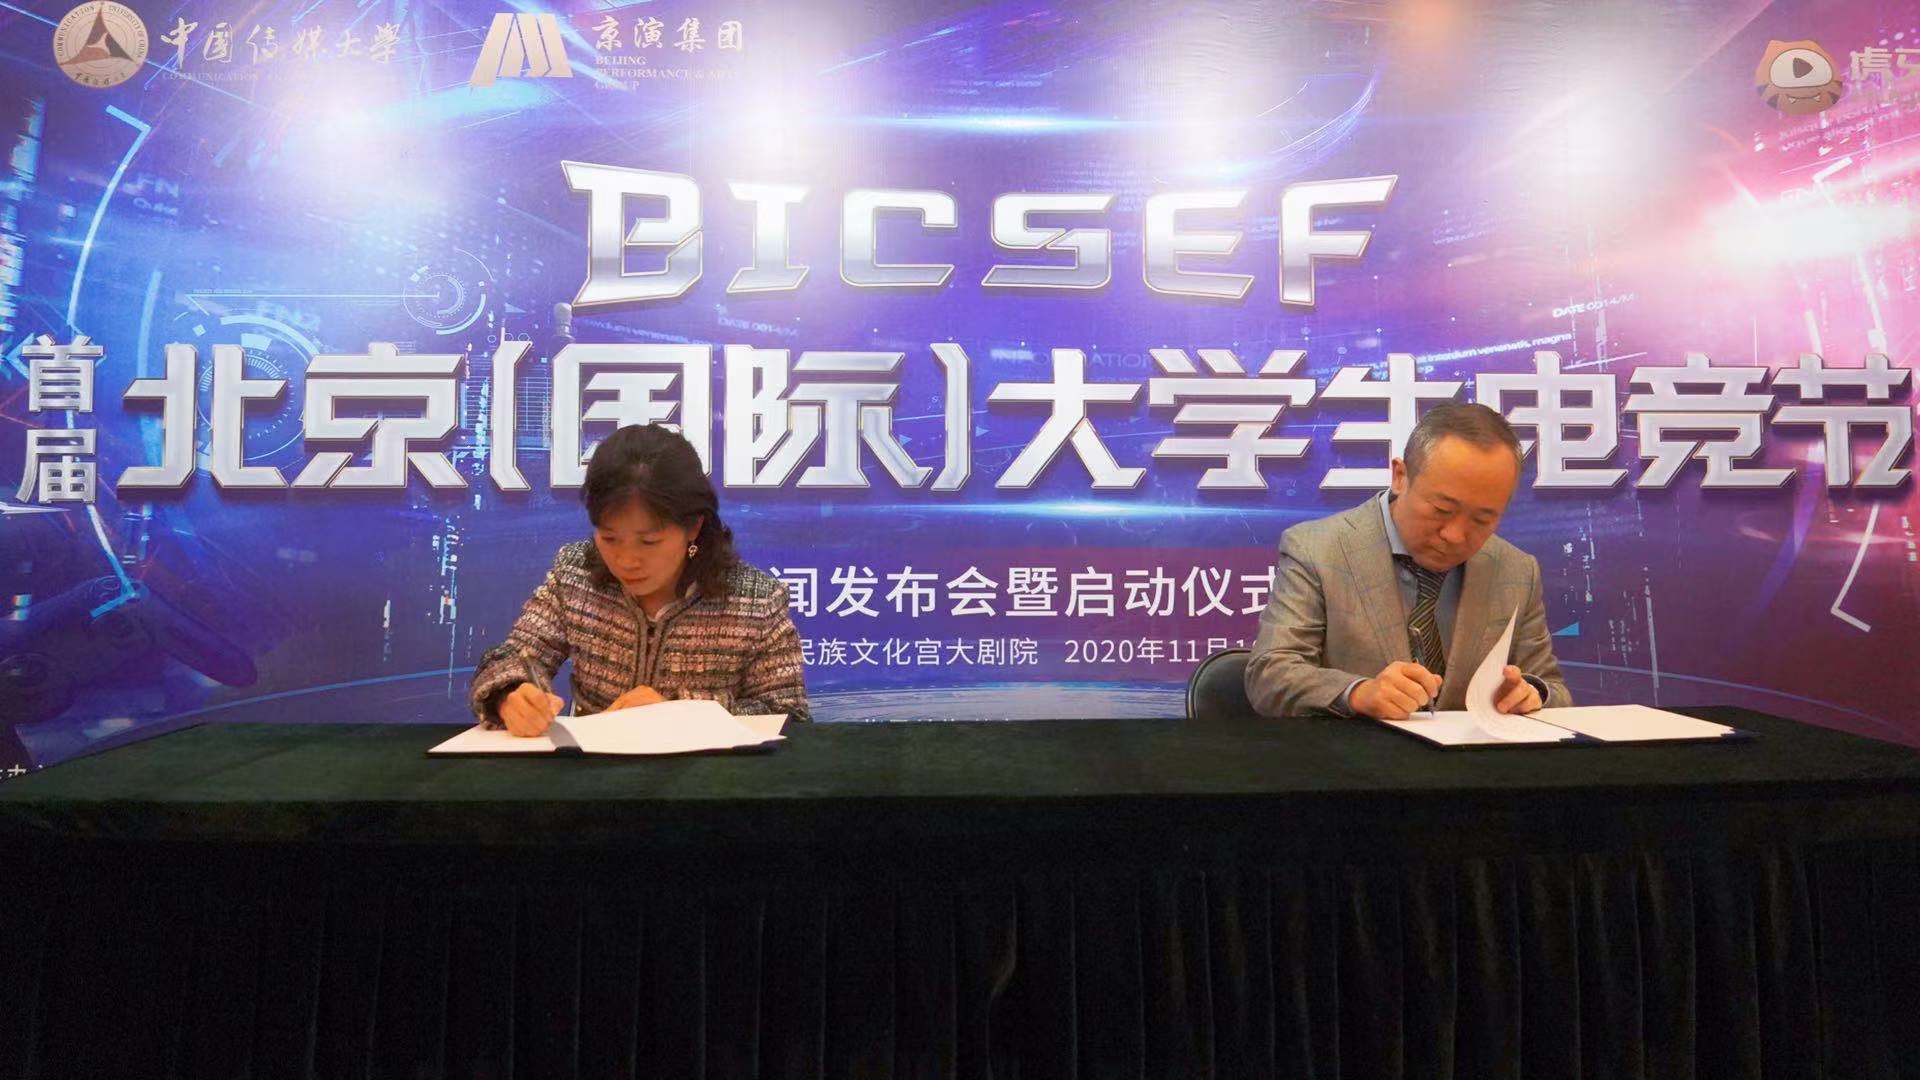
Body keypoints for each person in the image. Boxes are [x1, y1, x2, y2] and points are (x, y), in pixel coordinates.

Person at [470, 423, 809, 735]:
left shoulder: (755, 601)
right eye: (609, 538)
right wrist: (510, 695)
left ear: (693, 527)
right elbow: (511, 658)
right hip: (593, 769)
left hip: (705, 775)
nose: (626, 560)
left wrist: (684, 713)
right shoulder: (575, 574)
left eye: (649, 541)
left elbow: (788, 714)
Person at [1244, 402, 1571, 720]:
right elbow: (1271, 674)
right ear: (1400, 476)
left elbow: (1554, 691)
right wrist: (1359, 693)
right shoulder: (1317, 549)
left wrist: (1531, 694)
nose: (1455, 535)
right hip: (1357, 753)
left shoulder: (1516, 569)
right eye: (1442, 510)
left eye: (1482, 519)